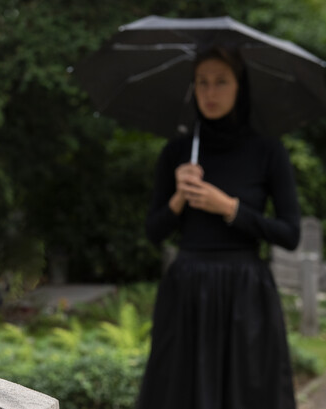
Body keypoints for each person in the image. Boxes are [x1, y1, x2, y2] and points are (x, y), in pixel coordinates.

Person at [135, 46, 300, 409]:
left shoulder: (268, 151)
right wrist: (179, 196)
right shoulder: (177, 152)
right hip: (187, 291)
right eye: (202, 82)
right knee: (181, 393)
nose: (210, 93)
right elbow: (154, 232)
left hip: (246, 292)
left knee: (248, 394)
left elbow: (290, 234)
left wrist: (229, 208)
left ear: (240, 87)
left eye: (221, 82)